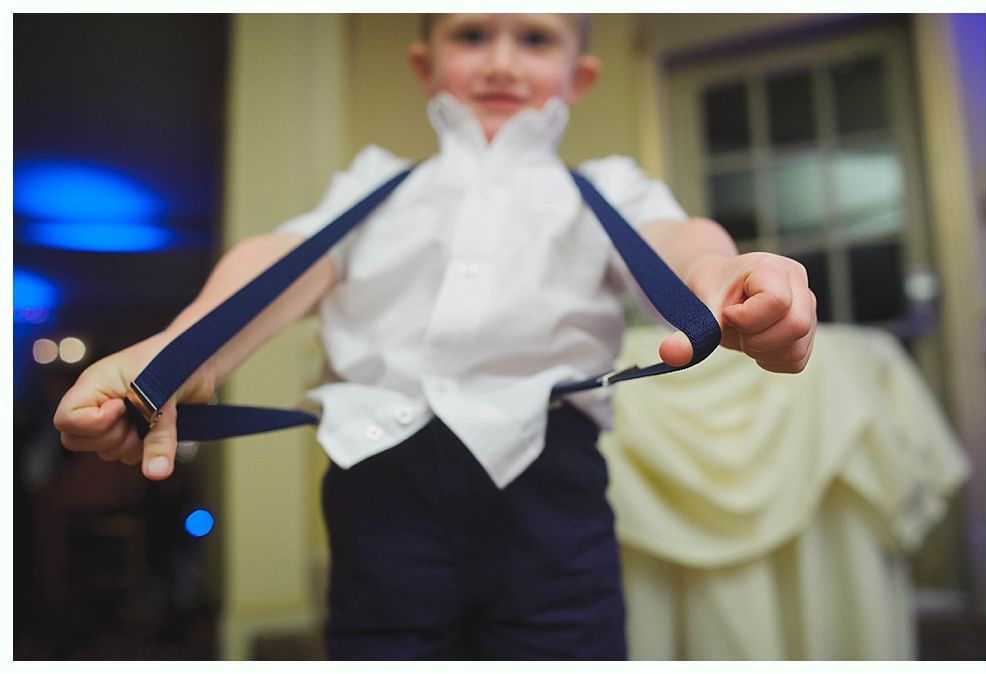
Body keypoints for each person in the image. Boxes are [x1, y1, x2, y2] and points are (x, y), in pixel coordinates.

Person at [54, 14, 816, 660]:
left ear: (579, 79)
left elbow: (676, 236)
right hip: (379, 499)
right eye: (473, 34)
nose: (501, 62)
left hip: (552, 501)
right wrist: (177, 351)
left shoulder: (608, 186)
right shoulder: (372, 186)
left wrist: (719, 273)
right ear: (425, 65)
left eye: (536, 40)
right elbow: (282, 263)